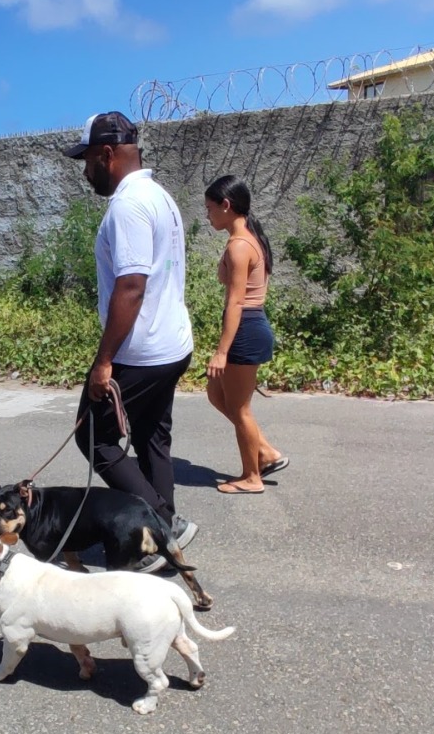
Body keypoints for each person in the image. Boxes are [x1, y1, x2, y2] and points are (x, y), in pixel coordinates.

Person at [63, 110, 197, 550]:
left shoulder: (128, 205)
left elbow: (132, 286)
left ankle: (161, 525)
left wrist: (104, 361)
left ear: (107, 154)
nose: (85, 172)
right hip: (171, 345)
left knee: (93, 436)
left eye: (86, 161)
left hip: (139, 352)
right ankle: (161, 535)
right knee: (151, 436)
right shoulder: (160, 197)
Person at [204, 174, 288, 495]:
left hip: (245, 328)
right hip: (250, 326)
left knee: (240, 408)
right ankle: (264, 451)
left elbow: (236, 301)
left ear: (226, 206)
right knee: (215, 392)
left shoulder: (240, 246)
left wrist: (222, 351)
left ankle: (253, 476)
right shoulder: (246, 238)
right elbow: (223, 280)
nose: (208, 215)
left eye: (210, 209)